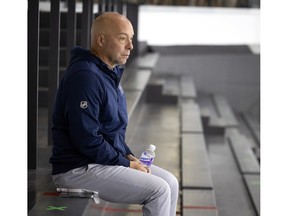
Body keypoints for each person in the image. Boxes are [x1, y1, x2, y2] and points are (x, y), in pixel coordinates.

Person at [49, 12, 179, 216]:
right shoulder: (86, 77)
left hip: (97, 161)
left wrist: (127, 155)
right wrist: (126, 164)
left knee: (170, 182)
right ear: (101, 40)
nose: (130, 46)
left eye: (131, 39)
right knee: (159, 190)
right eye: (122, 38)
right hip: (77, 169)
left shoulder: (107, 73)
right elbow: (86, 139)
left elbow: (110, 131)